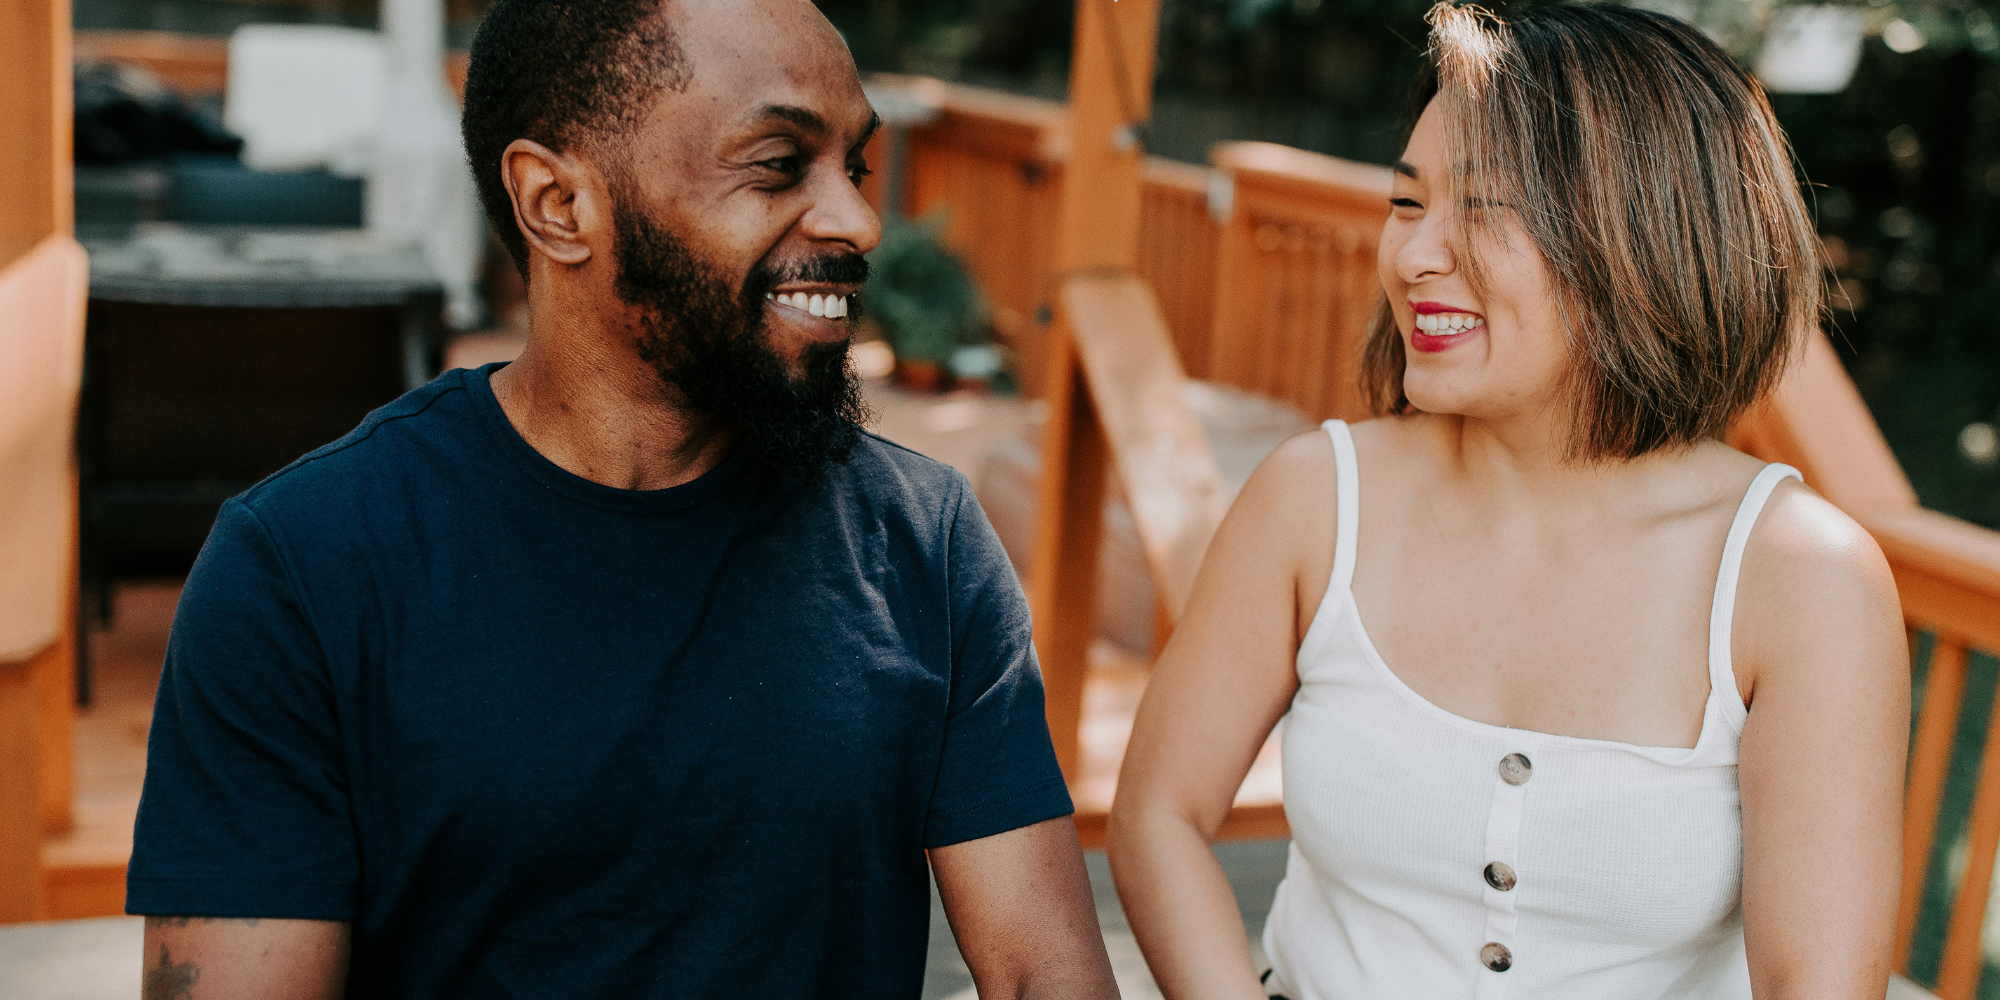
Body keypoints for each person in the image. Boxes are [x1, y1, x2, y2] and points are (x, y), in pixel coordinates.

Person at [125, 1, 1120, 997]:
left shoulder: (925, 540)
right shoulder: (302, 566)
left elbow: (1045, 974)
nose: (858, 220)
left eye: (852, 165)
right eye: (777, 164)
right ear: (558, 204)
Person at [1107, 4, 1907, 999]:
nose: (1411, 257)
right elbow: (1157, 813)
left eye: (1484, 208)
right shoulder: (1314, 498)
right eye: (1405, 203)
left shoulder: (1802, 579)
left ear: (1642, 238)